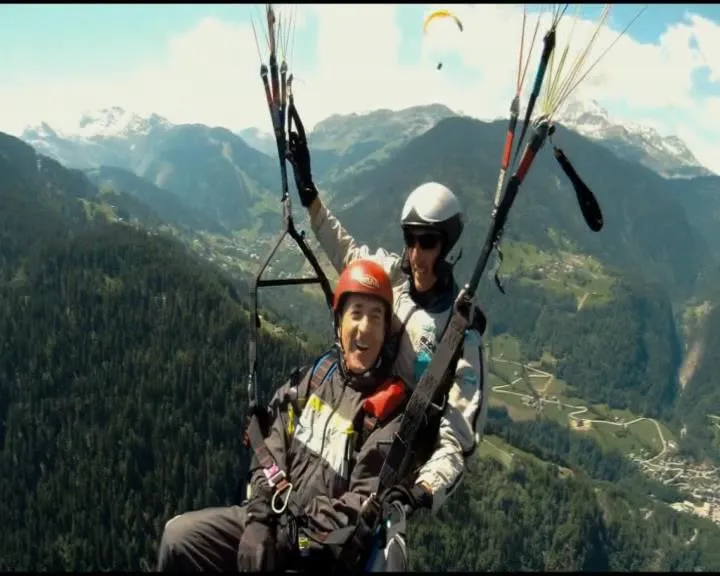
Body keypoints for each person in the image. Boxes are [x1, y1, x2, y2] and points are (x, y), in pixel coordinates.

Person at [157, 259, 428, 572]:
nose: (364, 327)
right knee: (178, 539)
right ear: (339, 323)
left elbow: (359, 505)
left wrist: (284, 535)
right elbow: (273, 439)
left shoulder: (387, 415)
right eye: (356, 313)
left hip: (315, 547)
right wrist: (259, 516)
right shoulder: (316, 377)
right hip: (268, 513)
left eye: (375, 317)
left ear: (385, 332)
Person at [287, 114, 489, 517]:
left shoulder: (460, 330)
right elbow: (346, 253)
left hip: (389, 463)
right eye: (410, 240)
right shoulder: (393, 276)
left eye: (427, 242)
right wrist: (310, 196)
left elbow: (459, 435)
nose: (416, 255)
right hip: (350, 419)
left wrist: (423, 490)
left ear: (447, 245)